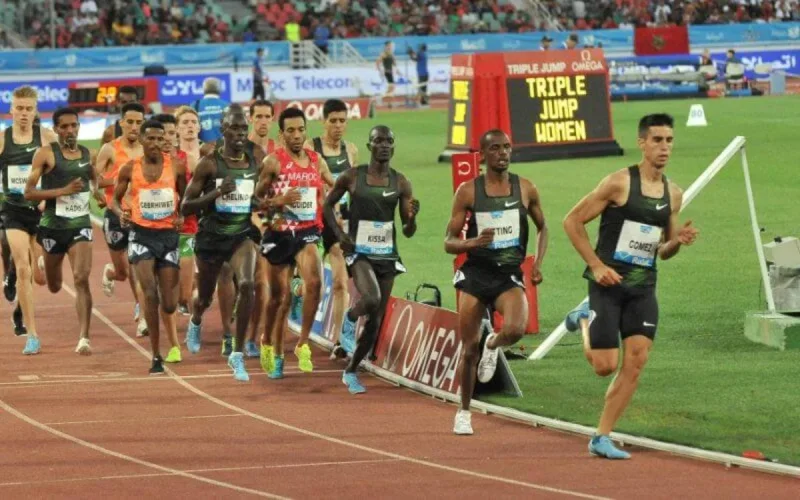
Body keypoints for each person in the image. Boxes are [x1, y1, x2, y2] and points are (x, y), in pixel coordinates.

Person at [562, 114, 698, 459]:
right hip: (608, 284)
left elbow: (663, 250)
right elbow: (572, 221)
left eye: (669, 140)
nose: (664, 147)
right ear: (642, 143)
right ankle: (583, 318)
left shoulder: (674, 194)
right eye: (657, 140)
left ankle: (601, 437)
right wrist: (596, 265)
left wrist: (678, 241)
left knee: (636, 362)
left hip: (643, 288)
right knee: (604, 366)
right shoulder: (619, 183)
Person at [444, 129, 548, 435]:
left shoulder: (525, 188)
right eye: (495, 148)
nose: (502, 153)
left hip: (507, 275)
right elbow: (449, 241)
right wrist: (473, 243)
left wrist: (537, 264)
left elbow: (543, 228)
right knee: (468, 348)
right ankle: (464, 412)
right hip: (476, 274)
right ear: (483, 154)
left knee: (515, 329)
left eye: (507, 147)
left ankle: (493, 343)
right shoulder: (468, 192)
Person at [324, 125, 419, 394]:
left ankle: (351, 370)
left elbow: (408, 230)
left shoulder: (401, 182)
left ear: (393, 146)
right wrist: (340, 235)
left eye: (389, 141)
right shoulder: (353, 176)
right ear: (369, 146)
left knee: (376, 321)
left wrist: (412, 218)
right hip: (360, 252)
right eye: (379, 141)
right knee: (371, 297)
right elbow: (327, 205)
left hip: (387, 254)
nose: (384, 145)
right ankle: (350, 318)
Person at [182, 110, 262, 382]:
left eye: (243, 129)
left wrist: (264, 205)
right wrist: (217, 193)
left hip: (241, 236)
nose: (239, 134)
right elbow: (186, 206)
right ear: (223, 129)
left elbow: (256, 197)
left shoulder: (254, 162)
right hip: (210, 240)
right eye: (234, 128)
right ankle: (196, 319)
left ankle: (237, 354)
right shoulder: (209, 164)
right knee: (205, 298)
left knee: (247, 284)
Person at [256, 107, 334, 379]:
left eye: (301, 129)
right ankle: (270, 344)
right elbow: (255, 201)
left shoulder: (316, 160)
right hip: (279, 233)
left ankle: (302, 344)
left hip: (307, 231)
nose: (297, 135)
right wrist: (280, 200)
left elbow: (335, 186)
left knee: (315, 283)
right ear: (282, 134)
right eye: (291, 130)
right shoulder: (273, 162)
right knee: (280, 298)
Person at [113, 120, 186, 374]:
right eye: (151, 139)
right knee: (150, 294)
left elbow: (186, 197)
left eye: (159, 138)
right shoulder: (129, 168)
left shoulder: (175, 166)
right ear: (142, 140)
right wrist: (122, 214)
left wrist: (181, 216)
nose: (155, 143)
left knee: (170, 303)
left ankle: (165, 327)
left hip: (167, 237)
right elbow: (114, 200)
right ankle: (156, 355)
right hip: (141, 235)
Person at [24, 107, 97, 355]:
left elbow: (94, 178)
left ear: (79, 127)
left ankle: (84, 338)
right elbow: (29, 192)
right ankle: (45, 263)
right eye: (64, 127)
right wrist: (62, 191)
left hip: (80, 225)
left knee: (81, 278)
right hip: (53, 228)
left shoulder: (87, 153)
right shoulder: (46, 154)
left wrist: (98, 192)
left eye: (74, 125)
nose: (70, 130)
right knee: (54, 286)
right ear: (56, 129)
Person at [0, 85, 56, 354]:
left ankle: (19, 307)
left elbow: (60, 171)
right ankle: (32, 335)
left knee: (40, 277)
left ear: (35, 111)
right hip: (14, 211)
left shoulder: (46, 138)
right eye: (19, 108)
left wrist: (48, 198)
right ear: (11, 110)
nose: (23, 113)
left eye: (28, 109)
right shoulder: (3, 139)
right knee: (25, 268)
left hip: (41, 211)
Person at [308, 99, 359, 360]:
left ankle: (339, 341)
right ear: (323, 121)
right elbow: (307, 184)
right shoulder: (311, 148)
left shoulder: (351, 150)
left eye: (342, 121)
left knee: (340, 283)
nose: (338, 126)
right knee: (312, 285)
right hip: (315, 224)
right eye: (333, 121)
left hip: (339, 226)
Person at [94, 102, 147, 335]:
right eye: (130, 122)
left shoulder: (147, 149)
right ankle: (111, 272)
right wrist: (115, 184)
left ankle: (143, 316)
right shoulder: (110, 149)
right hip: (115, 216)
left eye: (139, 122)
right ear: (122, 123)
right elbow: (94, 180)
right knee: (123, 272)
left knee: (138, 266)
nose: (134, 127)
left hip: (139, 216)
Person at [244, 99, 276, 357]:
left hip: (271, 224)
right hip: (243, 223)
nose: (263, 121)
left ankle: (254, 338)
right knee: (249, 284)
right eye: (259, 116)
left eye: (267, 116)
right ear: (250, 118)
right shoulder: (243, 150)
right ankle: (239, 334)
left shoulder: (278, 151)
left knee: (262, 285)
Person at [173, 106, 202, 316]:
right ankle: (185, 302)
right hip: (184, 222)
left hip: (208, 222)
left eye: (193, 122)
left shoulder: (209, 153)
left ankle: (195, 317)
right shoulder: (175, 158)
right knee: (184, 283)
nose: (190, 126)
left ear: (199, 126)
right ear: (177, 129)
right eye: (184, 122)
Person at [193, 77, 228, 144]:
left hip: (200, 147)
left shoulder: (195, 105)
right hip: (222, 147)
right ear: (219, 89)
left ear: (204, 89)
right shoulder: (226, 106)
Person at [376, 41, 397, 107]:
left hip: (390, 72)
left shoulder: (391, 53)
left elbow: (394, 63)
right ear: (387, 46)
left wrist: (397, 71)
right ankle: (381, 99)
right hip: (387, 72)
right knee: (392, 88)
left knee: (391, 89)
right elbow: (378, 62)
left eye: (391, 45)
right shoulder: (384, 53)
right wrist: (380, 70)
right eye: (390, 45)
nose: (391, 47)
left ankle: (388, 102)